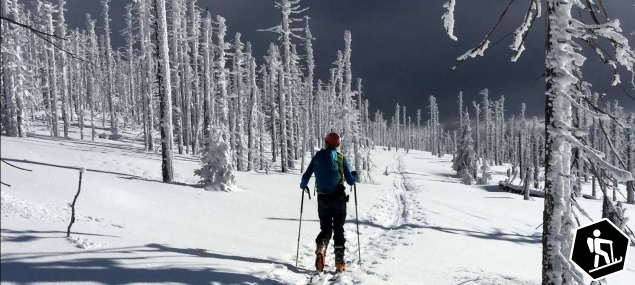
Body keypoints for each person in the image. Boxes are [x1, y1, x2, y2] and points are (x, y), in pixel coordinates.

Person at [300, 132, 356, 272]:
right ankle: (339, 262)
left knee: (325, 229)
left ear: (325, 142)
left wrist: (303, 185)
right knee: (338, 229)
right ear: (337, 145)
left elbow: (305, 176)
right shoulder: (341, 158)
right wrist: (354, 176)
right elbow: (350, 181)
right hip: (338, 198)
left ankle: (321, 247)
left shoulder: (317, 157)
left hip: (323, 198)